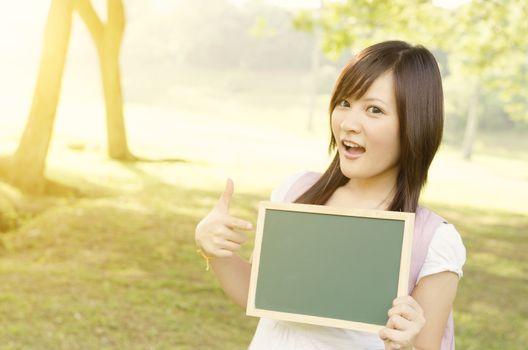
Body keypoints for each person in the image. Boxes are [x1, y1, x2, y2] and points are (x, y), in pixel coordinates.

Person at [194, 40, 466, 350]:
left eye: (374, 110)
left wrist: (407, 343)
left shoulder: (434, 241)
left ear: (414, 125)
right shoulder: (296, 192)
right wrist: (216, 250)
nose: (349, 123)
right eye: (345, 103)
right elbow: (256, 296)